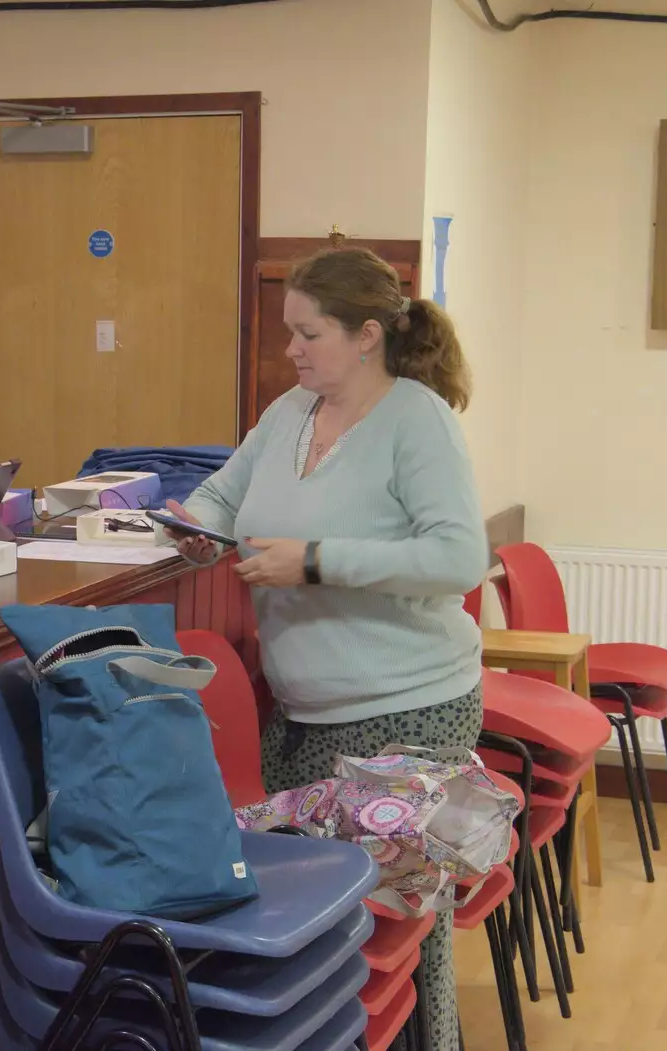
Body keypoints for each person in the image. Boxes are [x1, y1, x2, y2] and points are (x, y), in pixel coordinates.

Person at [165, 247, 485, 1050]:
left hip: (411, 706)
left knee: (398, 926)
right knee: (320, 930)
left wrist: (315, 559)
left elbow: (457, 558)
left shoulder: (417, 419)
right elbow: (222, 493)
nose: (292, 350)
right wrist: (196, 528)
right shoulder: (287, 414)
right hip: (310, 711)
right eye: (290, 333)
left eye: (309, 333)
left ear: (367, 335)